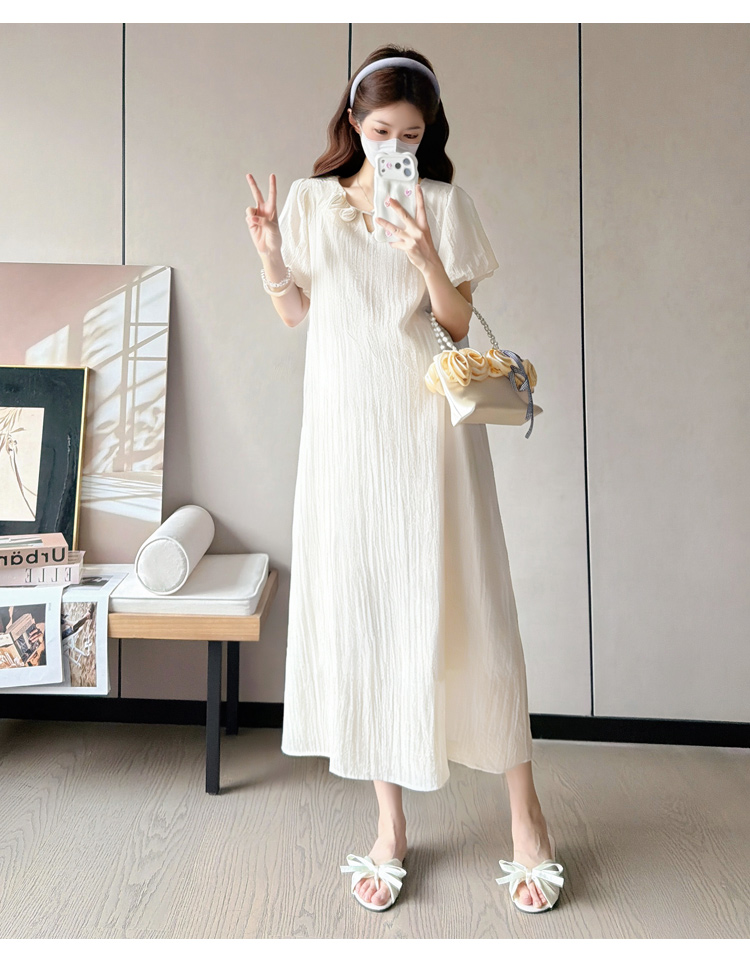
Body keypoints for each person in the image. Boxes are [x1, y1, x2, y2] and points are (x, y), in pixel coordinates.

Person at [245, 45, 565, 915]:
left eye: (412, 136)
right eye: (382, 129)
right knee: (369, 616)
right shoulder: (310, 202)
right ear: (353, 122)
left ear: (430, 135)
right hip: (344, 439)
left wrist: (424, 252)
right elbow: (294, 312)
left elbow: (456, 322)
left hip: (429, 433)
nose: (395, 146)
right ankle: (390, 828)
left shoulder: (445, 203)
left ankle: (528, 823)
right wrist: (272, 252)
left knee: (477, 612)